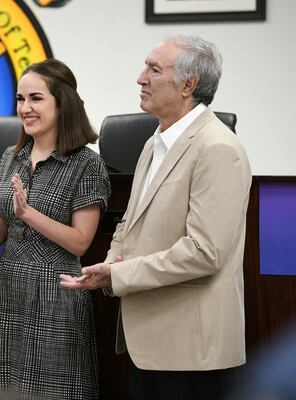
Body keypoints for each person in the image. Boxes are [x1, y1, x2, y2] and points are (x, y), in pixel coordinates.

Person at [60, 34, 252, 400]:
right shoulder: (154, 142)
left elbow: (204, 252)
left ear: (188, 84)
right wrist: (109, 262)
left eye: (154, 69)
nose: (140, 78)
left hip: (191, 351)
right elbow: (130, 224)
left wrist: (118, 274)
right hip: (147, 342)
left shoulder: (218, 149)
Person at [0, 58, 111, 399]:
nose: (25, 108)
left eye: (36, 98)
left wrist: (29, 213)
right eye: (20, 99)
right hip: (5, 291)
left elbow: (80, 244)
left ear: (63, 104)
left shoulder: (87, 164)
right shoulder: (11, 156)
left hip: (56, 295)